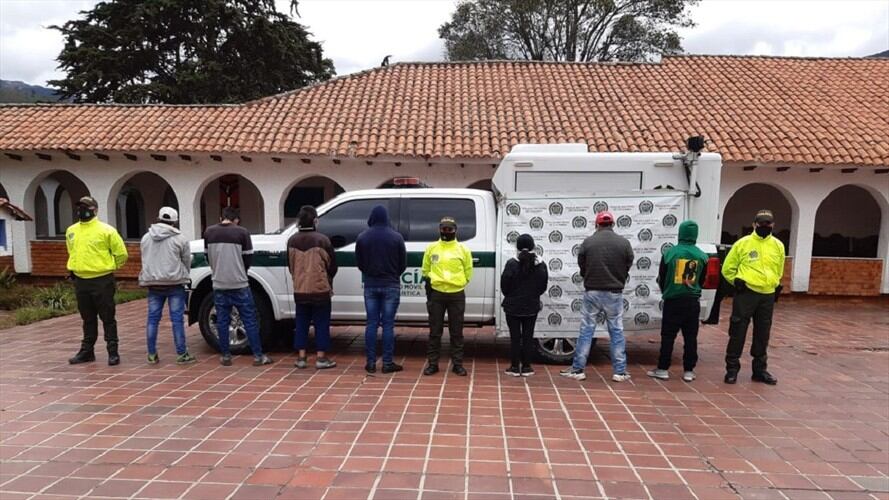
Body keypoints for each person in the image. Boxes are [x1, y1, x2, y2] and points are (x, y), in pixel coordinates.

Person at [561, 210, 634, 382]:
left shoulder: (588, 242)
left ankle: (578, 370)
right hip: (614, 292)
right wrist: (618, 276)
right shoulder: (623, 243)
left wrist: (588, 275)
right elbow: (628, 262)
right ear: (613, 224)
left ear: (597, 224)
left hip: (592, 291)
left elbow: (582, 264)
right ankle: (620, 372)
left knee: (586, 330)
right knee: (616, 331)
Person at [203, 206, 272, 367]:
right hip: (240, 283)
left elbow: (208, 256)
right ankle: (258, 356)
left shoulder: (209, 232)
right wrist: (241, 271)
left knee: (222, 321)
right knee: (249, 320)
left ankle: (226, 355)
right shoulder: (242, 233)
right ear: (236, 220)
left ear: (221, 218)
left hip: (219, 283)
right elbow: (248, 258)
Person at [722, 209, 785, 385]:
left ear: (773, 225)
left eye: (768, 223)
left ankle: (759, 371)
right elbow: (727, 268)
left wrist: (773, 283)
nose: (765, 226)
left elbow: (779, 269)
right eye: (761, 223)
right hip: (746, 294)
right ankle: (732, 370)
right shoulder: (742, 244)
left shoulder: (778, 245)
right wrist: (736, 282)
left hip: (767, 295)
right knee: (738, 331)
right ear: (754, 224)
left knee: (762, 334)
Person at [66, 196, 128, 366]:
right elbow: (71, 251)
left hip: (102, 280)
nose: (81, 210)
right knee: (87, 318)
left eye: (85, 207)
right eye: (79, 207)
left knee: (108, 317)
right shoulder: (71, 230)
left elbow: (121, 253)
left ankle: (113, 351)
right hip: (81, 280)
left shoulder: (106, 230)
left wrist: (109, 266)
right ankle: (87, 351)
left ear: (94, 210)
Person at [647, 220, 707, 382]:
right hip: (692, 301)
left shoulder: (670, 253)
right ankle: (688, 370)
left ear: (680, 233)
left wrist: (667, 291)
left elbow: (662, 277)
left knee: (668, 336)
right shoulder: (702, 255)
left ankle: (663, 369)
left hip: (673, 301)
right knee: (690, 337)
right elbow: (702, 280)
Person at [139, 207, 195, 365]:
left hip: (153, 283)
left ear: (158, 218)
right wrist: (184, 274)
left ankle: (151, 354)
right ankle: (182, 354)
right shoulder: (180, 238)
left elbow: (144, 258)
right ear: (175, 221)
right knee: (177, 320)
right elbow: (186, 260)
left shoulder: (145, 238)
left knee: (152, 320)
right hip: (174, 283)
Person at [356, 205, 406, 374]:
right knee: (388, 325)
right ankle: (387, 363)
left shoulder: (362, 237)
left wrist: (370, 274)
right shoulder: (397, 237)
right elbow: (402, 264)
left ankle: (370, 363)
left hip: (370, 285)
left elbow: (360, 264)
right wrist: (392, 275)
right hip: (391, 284)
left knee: (371, 324)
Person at [288, 205, 338, 369]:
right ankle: (321, 358)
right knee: (321, 323)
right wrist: (326, 278)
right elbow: (332, 266)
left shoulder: (292, 240)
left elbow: (290, 266)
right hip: (320, 290)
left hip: (300, 289)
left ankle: (301, 358)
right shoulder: (322, 240)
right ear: (315, 220)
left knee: (301, 322)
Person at [422, 216, 473, 376]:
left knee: (456, 332)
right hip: (437, 294)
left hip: (456, 295)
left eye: (449, 229)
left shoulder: (463, 249)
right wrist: (431, 286)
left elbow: (468, 270)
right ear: (439, 229)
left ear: (455, 230)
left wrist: (461, 282)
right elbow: (425, 269)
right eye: (444, 229)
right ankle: (433, 364)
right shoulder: (432, 248)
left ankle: (457, 364)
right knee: (435, 332)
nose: (446, 232)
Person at [500, 234, 548, 377]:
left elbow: (504, 286)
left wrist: (511, 296)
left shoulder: (511, 263)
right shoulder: (541, 265)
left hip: (512, 307)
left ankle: (514, 367)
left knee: (515, 337)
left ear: (517, 247)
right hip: (531, 306)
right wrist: (533, 296)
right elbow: (543, 286)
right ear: (533, 246)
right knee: (528, 336)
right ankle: (527, 367)